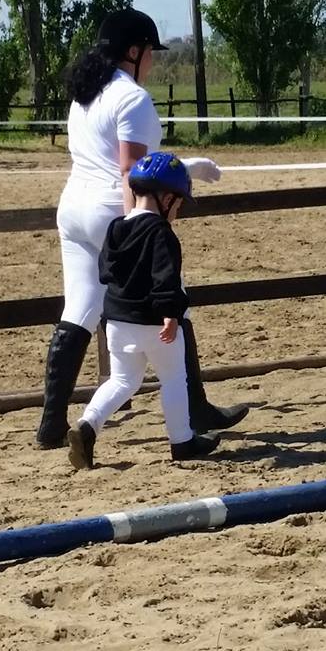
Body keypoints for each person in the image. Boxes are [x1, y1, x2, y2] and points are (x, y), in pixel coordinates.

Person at [36, 7, 248, 450]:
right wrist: (169, 192)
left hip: (73, 209)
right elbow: (130, 170)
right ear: (133, 52)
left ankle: (51, 423)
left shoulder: (86, 94)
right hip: (112, 209)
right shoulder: (132, 98)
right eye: (150, 51)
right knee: (175, 303)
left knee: (80, 308)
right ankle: (195, 411)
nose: (152, 60)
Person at [67, 151, 220, 468]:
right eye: (178, 203)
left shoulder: (116, 227)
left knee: (122, 381)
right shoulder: (161, 233)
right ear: (166, 198)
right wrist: (170, 314)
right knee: (174, 379)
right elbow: (166, 278)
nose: (177, 211)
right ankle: (182, 442)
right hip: (155, 323)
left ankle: (88, 424)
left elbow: (106, 272)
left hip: (116, 322)